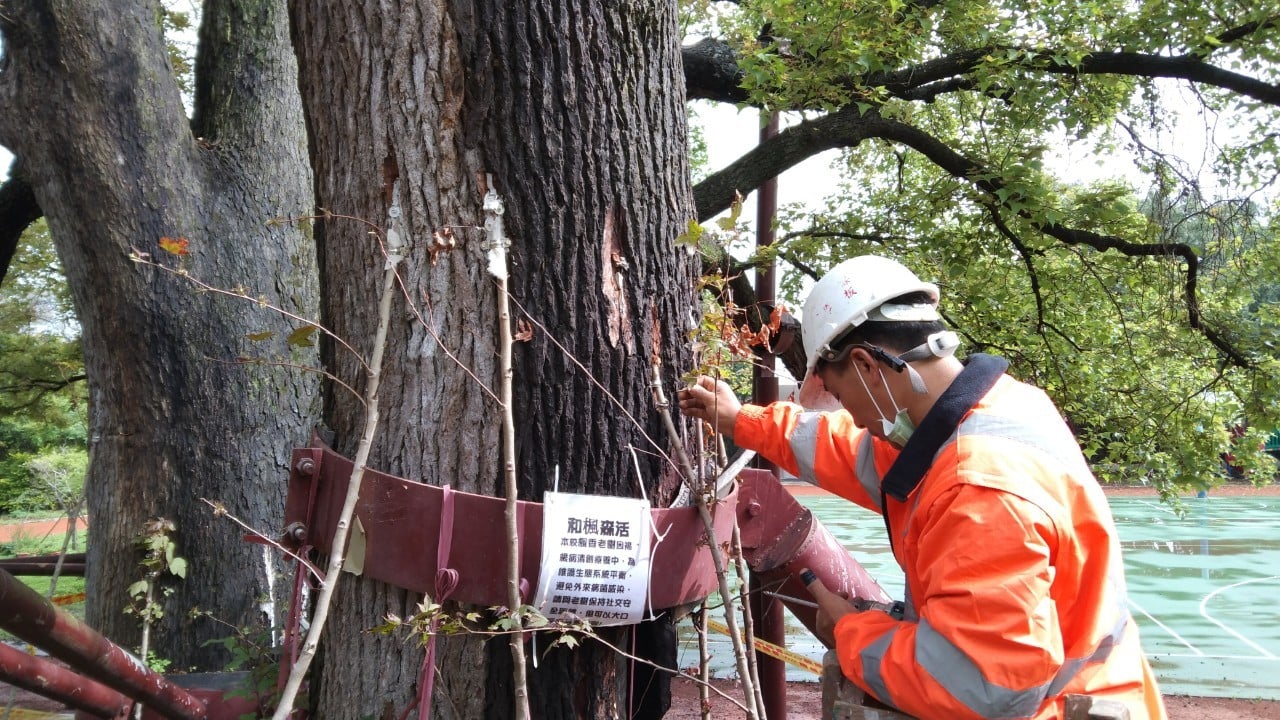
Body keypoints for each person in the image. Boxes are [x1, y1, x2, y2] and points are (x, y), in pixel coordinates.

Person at [678, 255, 1166, 720]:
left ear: (868, 367)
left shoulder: (976, 492)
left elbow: (982, 687)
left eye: (842, 395)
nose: (850, 414)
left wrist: (847, 631)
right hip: (1100, 692)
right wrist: (741, 419)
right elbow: (842, 447)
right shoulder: (998, 412)